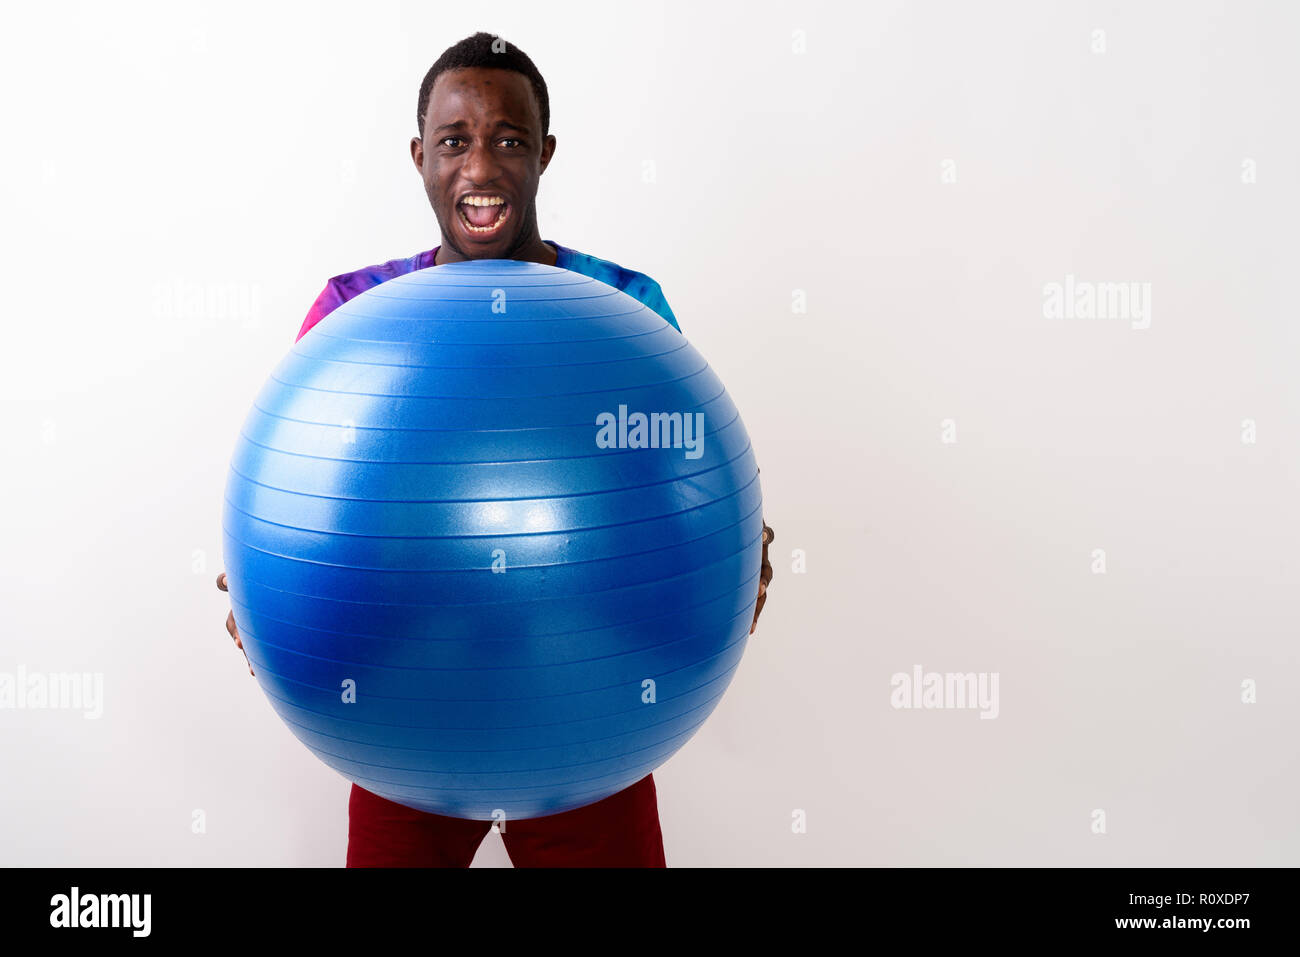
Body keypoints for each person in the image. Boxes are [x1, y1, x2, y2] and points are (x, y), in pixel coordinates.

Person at [216, 31, 773, 868]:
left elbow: (682, 491)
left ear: (544, 153)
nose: (479, 169)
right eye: (454, 141)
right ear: (419, 156)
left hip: (593, 718)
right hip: (403, 719)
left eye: (509, 140)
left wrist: (730, 547)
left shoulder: (623, 307)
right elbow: (300, 492)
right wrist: (266, 582)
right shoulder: (352, 312)